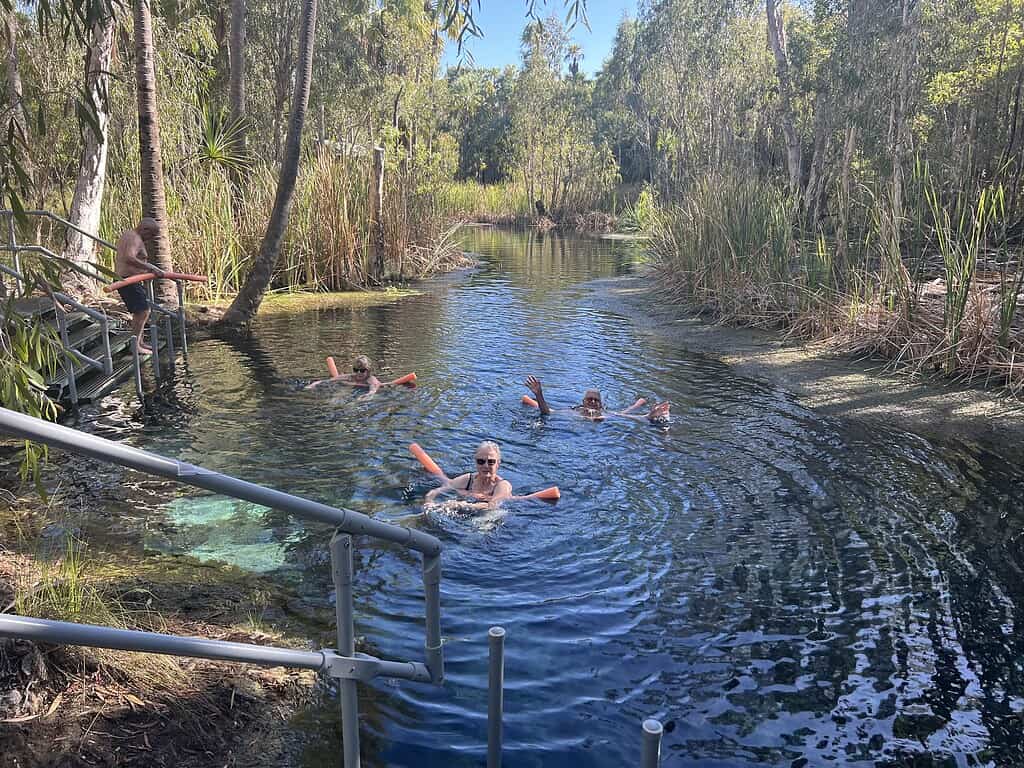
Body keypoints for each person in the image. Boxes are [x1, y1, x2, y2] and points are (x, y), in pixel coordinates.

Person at [114, 217, 165, 354]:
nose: (151, 238)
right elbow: (128, 257)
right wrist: (149, 267)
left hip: (133, 280)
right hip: (127, 280)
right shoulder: (133, 238)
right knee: (143, 311)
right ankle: (135, 345)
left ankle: (139, 342)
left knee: (141, 311)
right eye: (151, 234)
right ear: (145, 229)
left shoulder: (133, 236)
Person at [524, 375, 671, 423]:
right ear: (583, 402)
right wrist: (539, 395)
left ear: (600, 404)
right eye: (590, 399)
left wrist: (648, 416)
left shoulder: (605, 414)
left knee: (623, 412)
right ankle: (636, 404)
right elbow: (548, 412)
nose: (593, 402)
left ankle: (636, 404)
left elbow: (628, 417)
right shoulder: (575, 412)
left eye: (596, 400)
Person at [425, 441, 513, 510]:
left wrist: (462, 505)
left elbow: (492, 506)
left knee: (492, 515)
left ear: (498, 464)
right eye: (481, 461)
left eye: (491, 462)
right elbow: (435, 491)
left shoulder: (502, 485)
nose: (486, 465)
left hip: (488, 513)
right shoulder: (468, 479)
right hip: (467, 507)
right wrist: (429, 503)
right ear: (476, 462)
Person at [306, 354, 382, 396]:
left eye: (362, 370)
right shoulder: (351, 377)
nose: (358, 373)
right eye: (355, 370)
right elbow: (328, 381)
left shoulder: (371, 379)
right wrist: (312, 385)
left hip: (362, 393)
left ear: (368, 371)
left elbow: (372, 391)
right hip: (350, 390)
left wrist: (366, 396)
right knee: (337, 397)